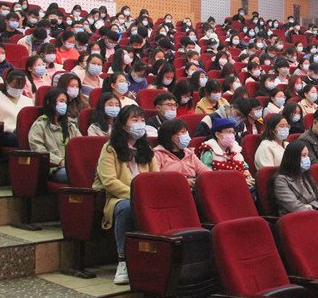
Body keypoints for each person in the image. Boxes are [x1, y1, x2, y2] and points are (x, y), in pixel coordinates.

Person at [93, 105, 159, 285]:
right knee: (127, 207)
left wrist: (146, 197)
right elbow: (109, 181)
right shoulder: (110, 149)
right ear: (123, 125)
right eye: (135, 120)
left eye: (142, 120)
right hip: (118, 198)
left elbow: (155, 177)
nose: (140, 124)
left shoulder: (146, 149)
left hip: (145, 198)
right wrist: (136, 197)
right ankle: (123, 261)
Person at [270, 140, 318, 241]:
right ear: (293, 158)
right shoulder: (281, 180)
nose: (307, 159)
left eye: (307, 155)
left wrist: (312, 207)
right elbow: (295, 207)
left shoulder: (306, 175)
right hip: (297, 221)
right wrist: (317, 210)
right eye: (303, 155)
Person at [29, 88, 81, 183]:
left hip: (73, 166)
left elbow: (80, 145)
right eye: (61, 101)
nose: (64, 105)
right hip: (54, 168)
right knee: (78, 175)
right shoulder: (40, 125)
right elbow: (38, 150)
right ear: (49, 102)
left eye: (65, 102)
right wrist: (60, 161)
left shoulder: (70, 125)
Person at [153, 119, 210, 188]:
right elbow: (157, 178)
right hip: (170, 188)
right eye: (182, 132)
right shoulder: (158, 154)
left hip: (193, 188)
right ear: (171, 136)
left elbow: (204, 170)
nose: (186, 135)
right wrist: (183, 181)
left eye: (186, 132)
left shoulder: (189, 153)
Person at [0, 70, 34, 145]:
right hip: (5, 133)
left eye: (21, 87)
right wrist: (13, 129)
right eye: (15, 86)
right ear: (6, 83)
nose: (17, 89)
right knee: (22, 139)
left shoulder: (28, 100)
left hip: (25, 132)